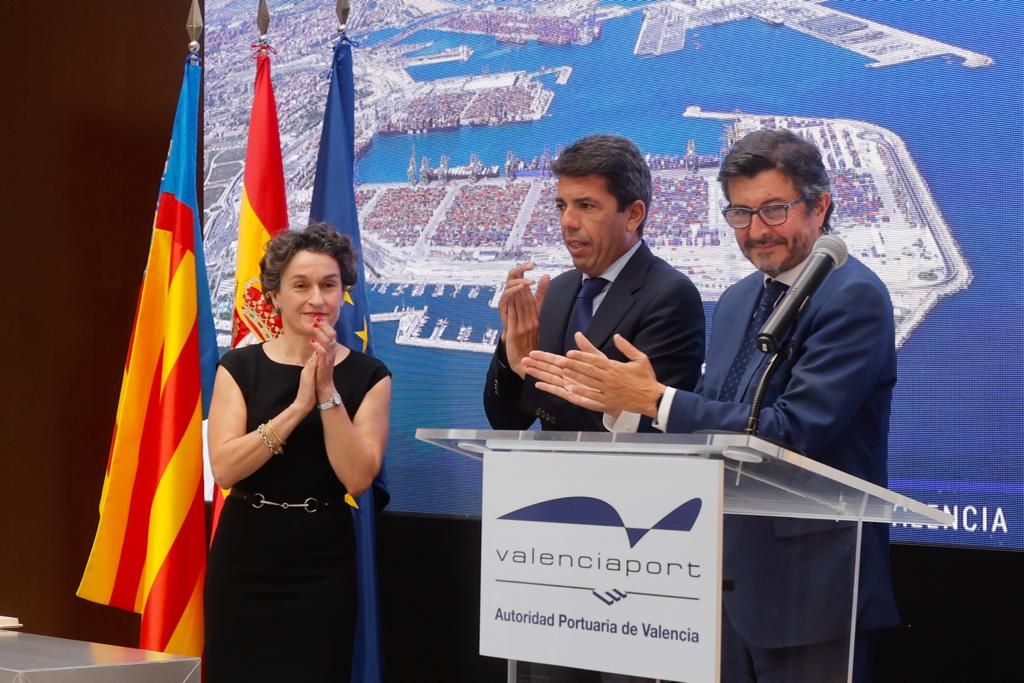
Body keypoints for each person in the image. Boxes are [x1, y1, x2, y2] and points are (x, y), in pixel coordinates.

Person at [524, 129, 899, 682]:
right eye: (740, 214)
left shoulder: (853, 296)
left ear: (819, 206)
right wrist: (624, 405)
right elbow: (711, 421)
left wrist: (657, 398)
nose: (756, 231)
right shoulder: (737, 299)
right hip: (720, 584)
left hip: (811, 591)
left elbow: (793, 432)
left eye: (774, 210)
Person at [204, 223, 391, 682]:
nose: (316, 299)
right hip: (246, 554)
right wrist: (297, 408)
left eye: (329, 285)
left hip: (321, 559)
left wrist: (326, 392)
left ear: (343, 292)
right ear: (275, 296)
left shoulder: (369, 375)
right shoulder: (239, 367)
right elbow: (226, 468)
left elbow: (358, 478)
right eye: (301, 285)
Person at [484, 134, 705, 433]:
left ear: (633, 215)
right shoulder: (557, 291)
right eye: (562, 206)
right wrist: (510, 354)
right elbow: (506, 421)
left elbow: (647, 430)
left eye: (586, 206)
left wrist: (531, 374)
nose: (568, 222)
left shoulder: (670, 296)